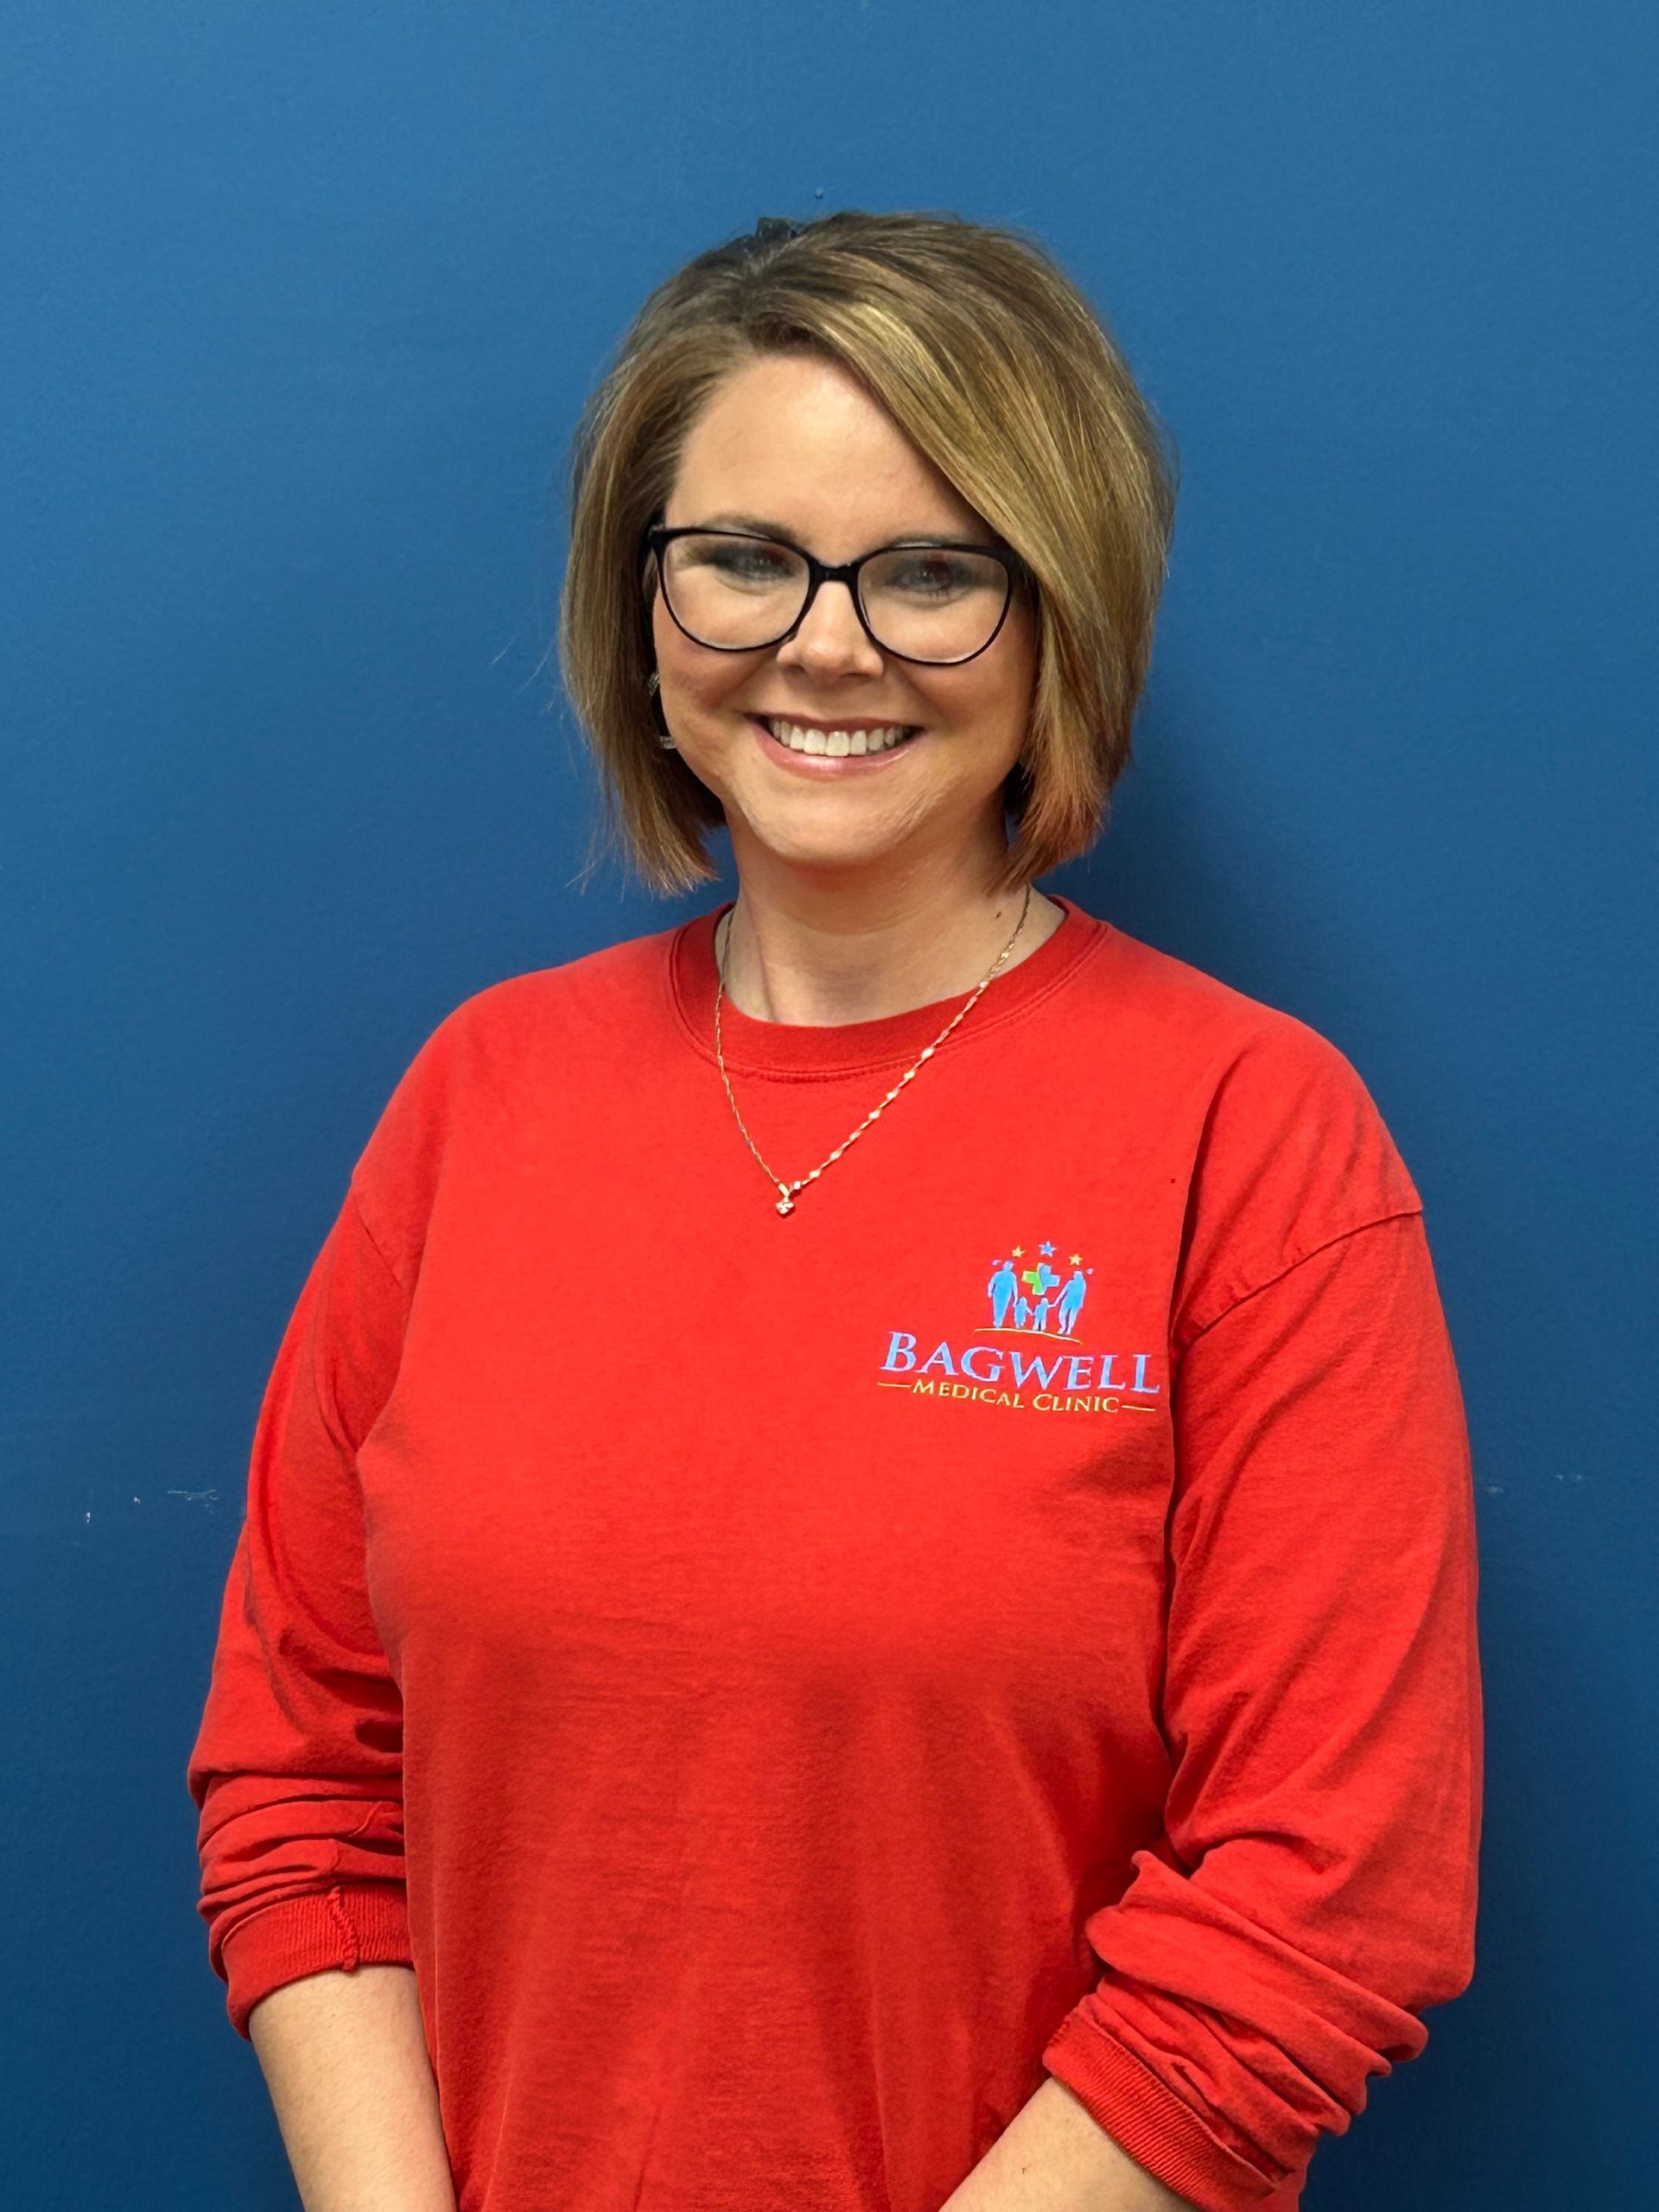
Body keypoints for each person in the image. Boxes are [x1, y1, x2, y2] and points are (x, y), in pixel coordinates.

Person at [186, 209, 1484, 2212]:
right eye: (744, 556)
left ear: (1064, 617)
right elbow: (303, 1777)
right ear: (642, 598)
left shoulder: (1252, 1132)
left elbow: (1326, 1897)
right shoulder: (480, 1098)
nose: (828, 638)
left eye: (934, 571)